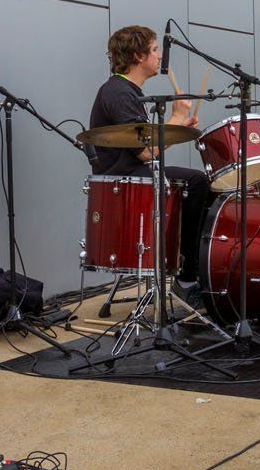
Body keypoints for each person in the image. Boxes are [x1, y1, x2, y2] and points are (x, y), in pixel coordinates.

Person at [87, 25, 210, 291]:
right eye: (154, 50)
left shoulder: (128, 91)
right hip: (124, 178)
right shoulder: (120, 93)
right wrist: (176, 118)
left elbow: (145, 146)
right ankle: (188, 275)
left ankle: (187, 264)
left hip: (134, 170)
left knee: (196, 181)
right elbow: (144, 152)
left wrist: (179, 128)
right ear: (138, 57)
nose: (159, 57)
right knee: (197, 182)